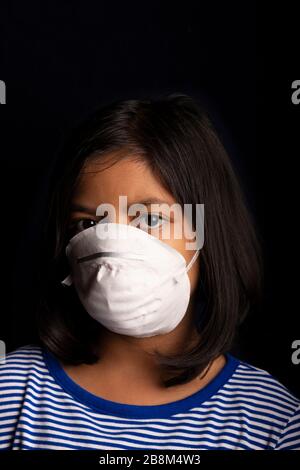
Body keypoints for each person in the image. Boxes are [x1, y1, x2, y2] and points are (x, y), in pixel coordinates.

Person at [0, 94, 299, 450]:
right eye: (89, 222)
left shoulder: (270, 419)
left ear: (206, 234)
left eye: (151, 218)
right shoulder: (12, 393)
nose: (114, 243)